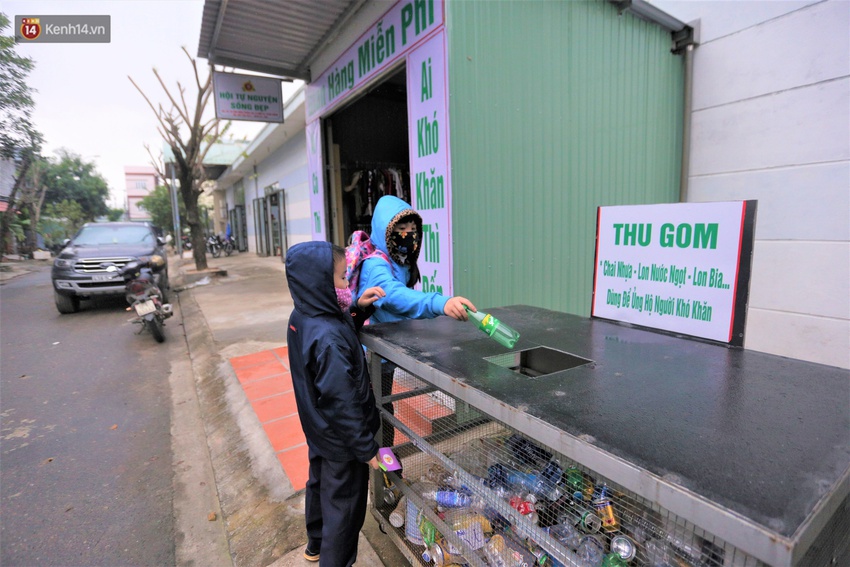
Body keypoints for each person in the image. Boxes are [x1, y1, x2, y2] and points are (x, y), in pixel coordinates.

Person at [285, 241, 386, 565]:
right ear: (319, 284)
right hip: (342, 440)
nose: (347, 284)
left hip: (318, 428)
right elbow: (343, 401)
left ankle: (314, 543)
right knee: (344, 509)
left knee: (318, 483)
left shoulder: (304, 315)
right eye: (342, 278)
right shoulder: (327, 337)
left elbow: (337, 326)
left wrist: (358, 308)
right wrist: (366, 447)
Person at [356, 195, 477, 445]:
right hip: (370, 356)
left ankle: (386, 466)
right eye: (401, 229)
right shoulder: (375, 265)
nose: (408, 235)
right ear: (385, 230)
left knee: (383, 409)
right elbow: (394, 295)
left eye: (412, 230)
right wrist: (439, 303)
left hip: (385, 351)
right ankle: (383, 473)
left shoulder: (400, 260)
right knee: (375, 415)